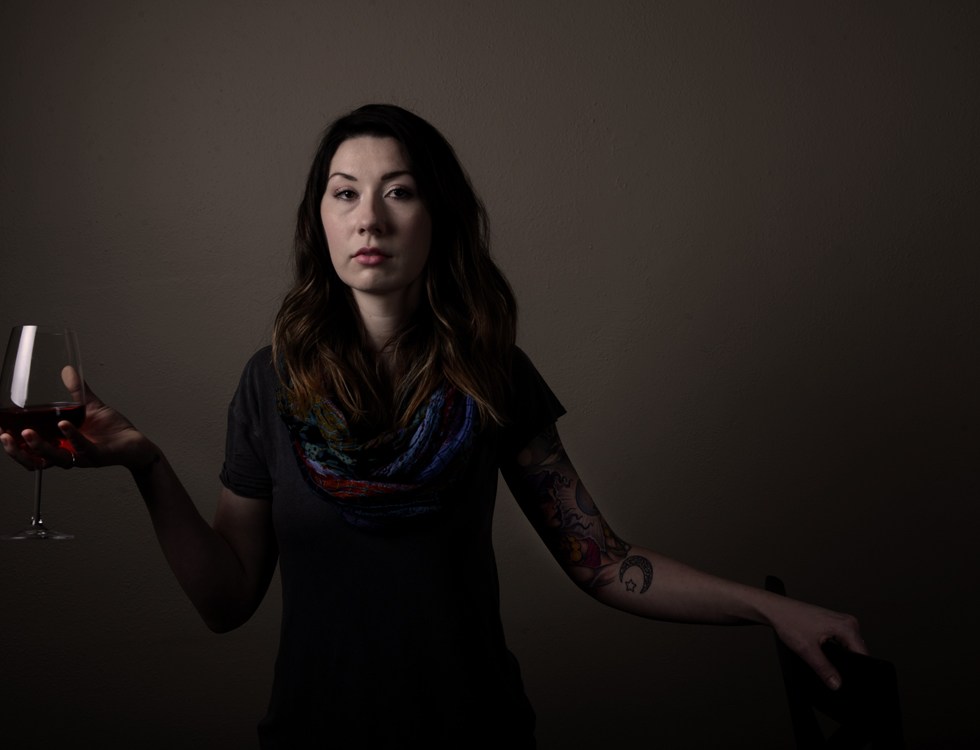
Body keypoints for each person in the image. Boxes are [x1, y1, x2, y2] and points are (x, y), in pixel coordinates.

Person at [1, 103, 865, 748]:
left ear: (436, 218)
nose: (369, 217)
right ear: (321, 221)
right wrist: (146, 464)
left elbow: (601, 562)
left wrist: (769, 611)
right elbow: (226, 602)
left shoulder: (493, 378)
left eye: (399, 192)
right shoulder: (272, 383)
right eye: (345, 193)